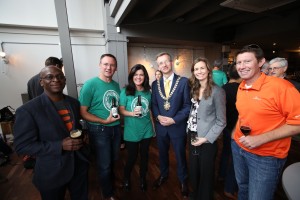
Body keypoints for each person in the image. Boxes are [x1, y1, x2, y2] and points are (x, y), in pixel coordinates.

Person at [232, 44, 300, 200]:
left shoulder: (281, 87)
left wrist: (261, 138)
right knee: (242, 189)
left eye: (247, 61)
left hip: (266, 157)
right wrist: (234, 137)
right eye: (239, 63)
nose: (242, 66)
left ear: (261, 62)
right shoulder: (242, 86)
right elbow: (244, 114)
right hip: (239, 148)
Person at [14, 66, 89, 200]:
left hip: (78, 165)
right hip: (52, 171)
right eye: (49, 77)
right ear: (41, 82)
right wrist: (59, 145)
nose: (56, 80)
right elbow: (22, 146)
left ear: (64, 80)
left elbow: (73, 128)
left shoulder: (74, 103)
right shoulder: (28, 110)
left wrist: (83, 136)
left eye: (60, 76)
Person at [79, 53, 121, 200]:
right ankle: (108, 194)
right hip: (99, 129)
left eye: (112, 65)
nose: (109, 67)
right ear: (100, 65)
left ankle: (110, 184)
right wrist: (103, 121)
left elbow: (117, 107)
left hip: (116, 128)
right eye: (106, 64)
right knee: (104, 164)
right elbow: (83, 112)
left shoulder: (116, 85)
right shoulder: (90, 84)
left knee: (114, 159)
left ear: (116, 68)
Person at [151, 52, 191, 198]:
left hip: (177, 127)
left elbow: (187, 106)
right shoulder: (155, 84)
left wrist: (174, 119)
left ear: (171, 62)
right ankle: (163, 175)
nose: (164, 65)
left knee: (180, 156)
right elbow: (154, 104)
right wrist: (157, 116)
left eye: (166, 61)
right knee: (162, 155)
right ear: (158, 66)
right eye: (160, 63)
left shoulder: (184, 82)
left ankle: (183, 180)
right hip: (161, 127)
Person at [187, 57, 226, 200]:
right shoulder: (194, 89)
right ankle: (195, 194)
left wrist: (206, 138)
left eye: (202, 68)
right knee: (194, 169)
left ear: (209, 70)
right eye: (196, 69)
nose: (199, 71)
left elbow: (222, 121)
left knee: (206, 172)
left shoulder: (218, 91)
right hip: (192, 134)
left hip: (207, 139)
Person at [119, 64, 154, 192]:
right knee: (132, 157)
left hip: (146, 130)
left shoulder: (148, 92)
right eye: (136, 75)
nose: (138, 77)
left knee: (145, 157)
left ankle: (142, 178)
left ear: (145, 77)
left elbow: (149, 110)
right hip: (131, 131)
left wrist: (154, 128)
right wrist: (132, 113)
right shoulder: (126, 91)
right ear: (132, 77)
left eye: (141, 75)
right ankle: (127, 179)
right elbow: (121, 109)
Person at [218, 63, 241, 199]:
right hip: (236, 129)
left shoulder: (222, 89)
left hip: (226, 127)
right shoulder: (242, 90)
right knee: (235, 159)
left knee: (225, 153)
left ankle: (221, 175)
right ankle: (229, 188)